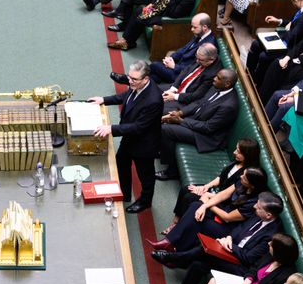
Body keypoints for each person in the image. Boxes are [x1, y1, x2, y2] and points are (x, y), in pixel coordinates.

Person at [86, 60, 162, 213]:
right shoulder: (137, 84)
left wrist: (111, 128)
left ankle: (145, 202)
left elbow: (139, 127)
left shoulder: (153, 99)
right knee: (121, 163)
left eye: (134, 79)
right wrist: (104, 100)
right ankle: (125, 194)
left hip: (144, 145)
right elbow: (127, 96)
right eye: (129, 77)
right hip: (129, 138)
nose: (130, 81)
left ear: (146, 79)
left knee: (145, 176)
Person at [150, 167, 269, 263]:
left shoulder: (253, 203)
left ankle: (174, 248)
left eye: (244, 177)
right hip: (222, 211)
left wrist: (208, 204)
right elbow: (223, 195)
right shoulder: (241, 182)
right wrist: (204, 206)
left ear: (251, 185)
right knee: (196, 207)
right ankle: (172, 244)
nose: (241, 176)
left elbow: (227, 218)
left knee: (197, 220)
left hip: (228, 228)